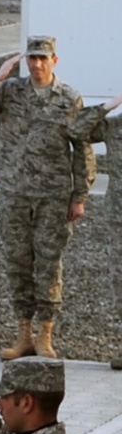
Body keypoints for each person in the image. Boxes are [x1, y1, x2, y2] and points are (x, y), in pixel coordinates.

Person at [0, 37, 94, 360]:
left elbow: (83, 148)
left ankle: (45, 334)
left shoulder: (69, 98)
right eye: (32, 58)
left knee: (48, 264)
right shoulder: (10, 92)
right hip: (15, 192)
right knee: (18, 264)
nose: (36, 65)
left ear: (54, 60)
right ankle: (23, 335)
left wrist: (80, 195)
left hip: (53, 195)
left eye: (42, 58)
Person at [66, 89, 122, 369]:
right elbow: (76, 129)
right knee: (120, 282)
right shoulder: (116, 125)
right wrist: (110, 105)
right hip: (120, 215)